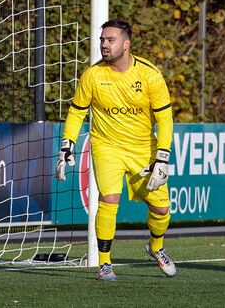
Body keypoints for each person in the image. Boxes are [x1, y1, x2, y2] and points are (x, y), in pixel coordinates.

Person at [55, 19, 175, 281]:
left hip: (143, 149)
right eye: (102, 40)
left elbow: (165, 119)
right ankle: (105, 264)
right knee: (108, 201)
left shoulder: (150, 75)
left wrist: (162, 157)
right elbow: (76, 113)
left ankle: (156, 248)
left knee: (161, 209)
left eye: (111, 40)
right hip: (106, 146)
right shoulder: (92, 75)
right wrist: (66, 146)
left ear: (126, 44)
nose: (104, 45)